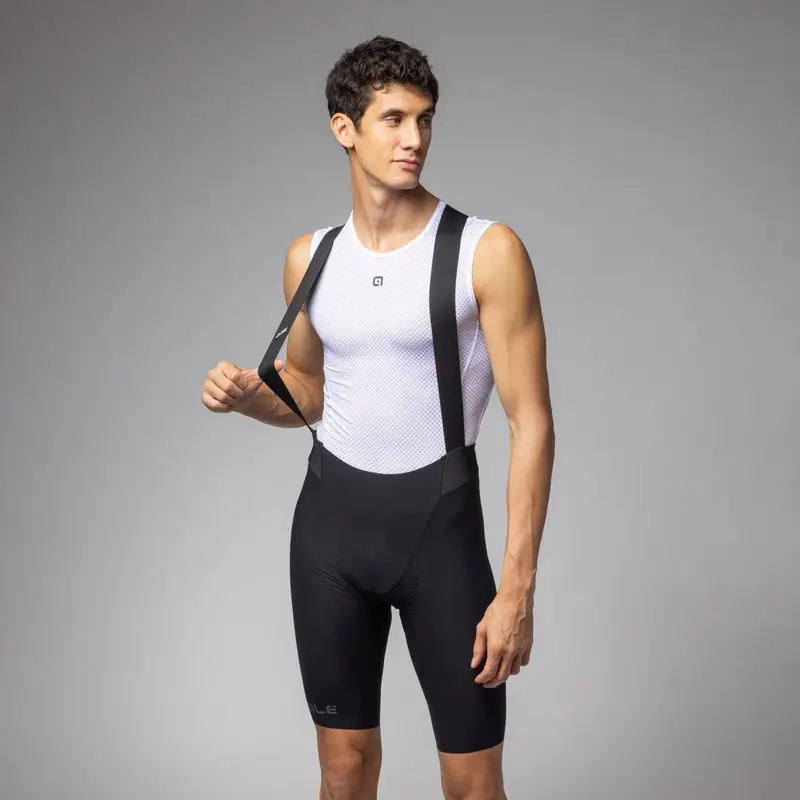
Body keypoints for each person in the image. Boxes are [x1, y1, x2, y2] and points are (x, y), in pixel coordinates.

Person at [201, 35, 555, 800]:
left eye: (424, 119)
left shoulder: (486, 251)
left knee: (473, 783)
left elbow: (532, 424)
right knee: (344, 772)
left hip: (440, 535)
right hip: (329, 535)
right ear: (345, 129)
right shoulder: (311, 257)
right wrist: (252, 398)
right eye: (393, 119)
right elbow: (309, 392)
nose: (414, 138)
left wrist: (518, 589)